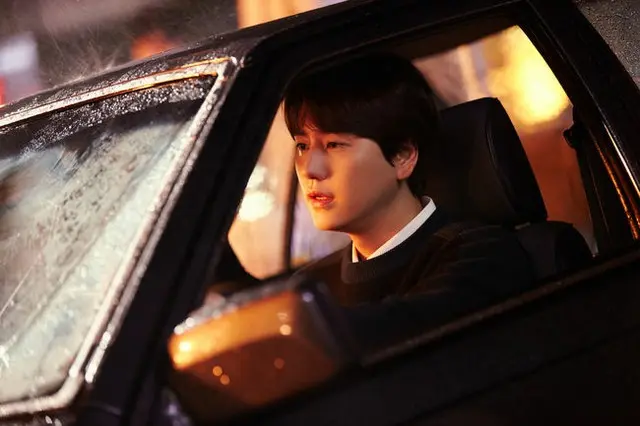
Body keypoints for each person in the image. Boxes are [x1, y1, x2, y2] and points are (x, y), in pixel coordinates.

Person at [283, 52, 535, 317]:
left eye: (334, 144)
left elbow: (412, 323)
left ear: (402, 157)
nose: (310, 169)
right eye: (302, 146)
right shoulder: (309, 286)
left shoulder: (480, 254)